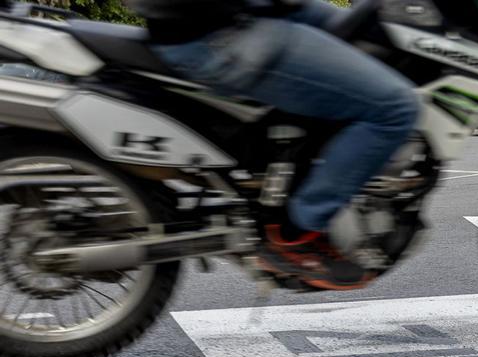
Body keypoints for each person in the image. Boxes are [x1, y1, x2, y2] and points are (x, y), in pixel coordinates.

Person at [127, 0, 421, 290]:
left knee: (363, 30)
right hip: (215, 31)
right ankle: (296, 232)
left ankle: (295, 168)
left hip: (231, 14)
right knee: (394, 108)